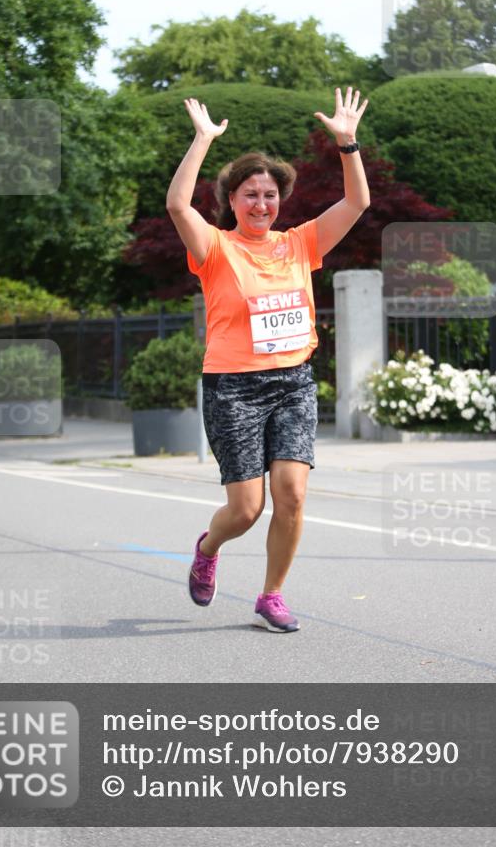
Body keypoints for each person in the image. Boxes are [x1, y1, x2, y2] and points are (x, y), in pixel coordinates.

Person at [166, 87, 370, 632]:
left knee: (292, 494)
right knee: (245, 510)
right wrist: (202, 141)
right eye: (251, 195)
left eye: (270, 195)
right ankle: (208, 548)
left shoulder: (300, 243)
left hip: (293, 383)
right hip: (232, 388)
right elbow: (177, 206)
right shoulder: (214, 247)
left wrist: (347, 143)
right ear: (232, 200)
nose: (261, 204)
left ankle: (271, 596)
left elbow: (356, 204)